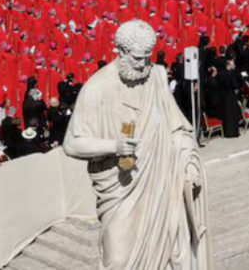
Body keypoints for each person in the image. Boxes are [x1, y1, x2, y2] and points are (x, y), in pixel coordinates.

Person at [62, 20, 209, 268]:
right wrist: (113, 146)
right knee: (118, 261)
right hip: (121, 191)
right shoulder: (97, 88)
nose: (143, 65)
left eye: (147, 58)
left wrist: (190, 165)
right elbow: (72, 144)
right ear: (120, 51)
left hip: (162, 184)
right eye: (137, 58)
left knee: (175, 249)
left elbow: (178, 129)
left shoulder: (157, 77)